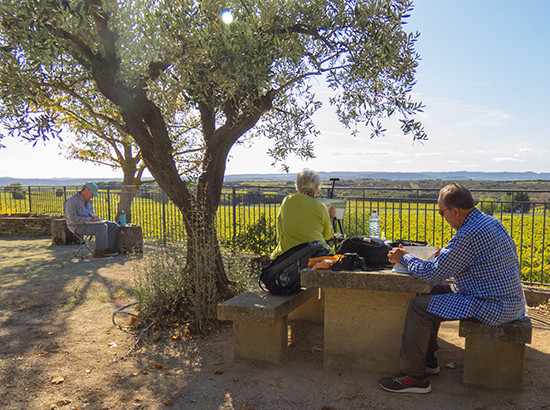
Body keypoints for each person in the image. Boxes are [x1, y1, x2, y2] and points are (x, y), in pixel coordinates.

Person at [379, 183, 526, 394]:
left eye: (442, 213)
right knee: (434, 292)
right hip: (506, 300)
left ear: (455, 210)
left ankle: (414, 378)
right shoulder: (489, 222)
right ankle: (428, 361)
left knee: (419, 307)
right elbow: (461, 260)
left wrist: (405, 257)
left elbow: (432, 273)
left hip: (493, 305)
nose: (442, 218)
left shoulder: (469, 233)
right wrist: (444, 255)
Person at [270, 169, 336, 260]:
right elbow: (328, 235)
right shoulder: (321, 207)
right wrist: (330, 218)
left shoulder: (286, 201)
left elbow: (279, 231)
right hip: (313, 254)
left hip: (285, 254)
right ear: (315, 187)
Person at [64, 182, 119, 259]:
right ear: (86, 190)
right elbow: (72, 219)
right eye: (92, 194)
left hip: (89, 224)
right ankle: (98, 252)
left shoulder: (89, 201)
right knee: (102, 227)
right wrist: (89, 219)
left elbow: (91, 214)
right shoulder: (71, 201)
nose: (92, 196)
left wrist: (96, 219)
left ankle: (108, 250)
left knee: (113, 225)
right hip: (77, 226)